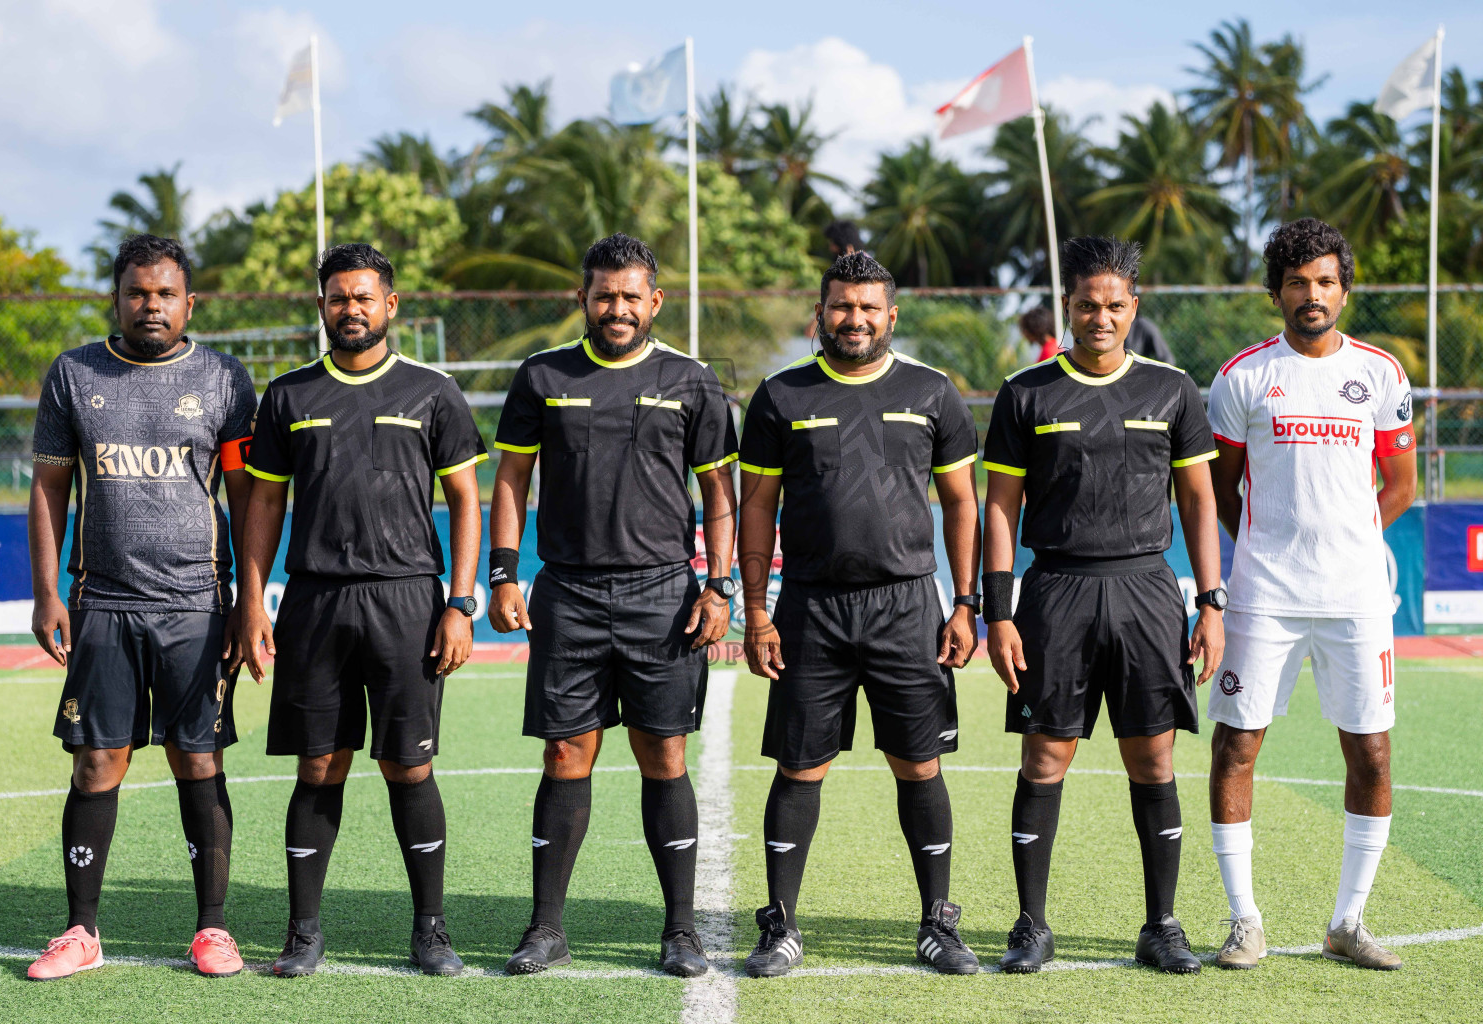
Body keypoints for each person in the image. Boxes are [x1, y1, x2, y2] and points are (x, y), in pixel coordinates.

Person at [488, 233, 738, 978]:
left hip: (662, 593)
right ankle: (546, 929)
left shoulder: (691, 381)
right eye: (605, 295)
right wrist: (504, 573)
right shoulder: (542, 376)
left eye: (632, 296)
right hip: (567, 590)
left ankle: (682, 930)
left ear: (655, 301)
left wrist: (719, 585)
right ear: (583, 299)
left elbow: (720, 494)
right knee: (566, 752)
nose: (618, 308)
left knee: (663, 754)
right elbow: (510, 481)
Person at [236, 243, 488, 977]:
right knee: (318, 767)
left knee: (409, 769)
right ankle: (304, 932)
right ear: (321, 307)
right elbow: (264, 504)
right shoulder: (287, 395)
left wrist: (460, 603)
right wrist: (253, 602)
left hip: (408, 599)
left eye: (364, 297)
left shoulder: (433, 392)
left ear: (391, 305)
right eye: (338, 298)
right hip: (315, 601)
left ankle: (431, 930)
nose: (352, 309)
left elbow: (466, 501)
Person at [981, 236, 1224, 976]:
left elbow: (1199, 501)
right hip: (1055, 591)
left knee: (1152, 757)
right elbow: (999, 508)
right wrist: (998, 612)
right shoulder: (1026, 393)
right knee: (1046, 755)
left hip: (1149, 591)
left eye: (1114, 305)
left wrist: (1210, 601)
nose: (1100, 317)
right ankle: (1031, 926)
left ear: (1133, 309)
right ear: (1069, 306)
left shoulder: (1173, 390)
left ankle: (1162, 925)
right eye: (1087, 304)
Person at [738, 251, 982, 978]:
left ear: (891, 316)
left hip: (909, 604)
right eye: (842, 306)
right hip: (812, 606)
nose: (855, 320)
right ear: (821, 311)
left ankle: (936, 923)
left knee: (919, 765)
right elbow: (756, 508)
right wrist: (757, 610)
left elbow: (964, 503)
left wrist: (964, 602)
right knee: (799, 767)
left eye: (869, 308)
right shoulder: (780, 396)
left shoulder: (933, 393)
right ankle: (780, 924)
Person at [26, 234, 257, 980]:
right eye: (136, 292)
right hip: (104, 603)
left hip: (196, 603)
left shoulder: (224, 379)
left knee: (198, 756)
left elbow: (251, 498)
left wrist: (248, 601)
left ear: (190, 303)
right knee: (97, 761)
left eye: (164, 294)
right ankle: (80, 931)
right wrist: (46, 590)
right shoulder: (74, 374)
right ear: (116, 298)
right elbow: (50, 487)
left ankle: (213, 931)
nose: (149, 305)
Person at [1205, 218, 1417, 971]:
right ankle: (1244, 920)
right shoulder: (1242, 378)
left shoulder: (1383, 374)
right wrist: (1264, 546)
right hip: (1264, 593)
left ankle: (1348, 923)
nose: (1312, 294)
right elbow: (1221, 493)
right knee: (1237, 745)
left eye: (1325, 281)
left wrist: (1351, 539)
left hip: (1358, 597)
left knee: (1372, 752)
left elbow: (1399, 486)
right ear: (1277, 292)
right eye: (1298, 282)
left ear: (1344, 289)